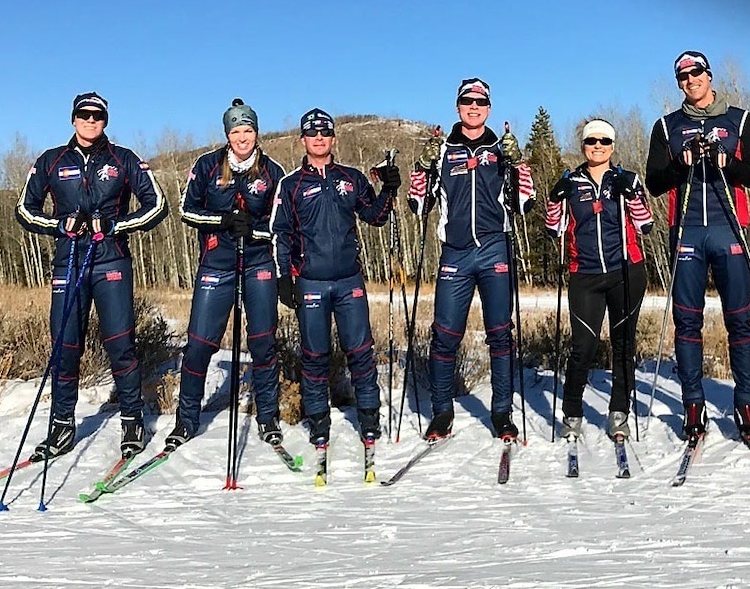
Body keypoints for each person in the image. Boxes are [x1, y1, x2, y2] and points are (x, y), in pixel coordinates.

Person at [15, 91, 168, 460]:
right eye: (84, 114)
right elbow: (24, 209)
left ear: (105, 121)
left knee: (120, 345)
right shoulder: (51, 161)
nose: (90, 120)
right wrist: (59, 225)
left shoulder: (123, 159)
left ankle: (132, 419)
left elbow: (157, 205)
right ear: (73, 119)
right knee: (65, 348)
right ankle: (62, 427)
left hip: (110, 262)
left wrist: (115, 225)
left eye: (97, 115)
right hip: (68, 262)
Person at [644, 51, 750, 443]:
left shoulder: (741, 120)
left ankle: (746, 403)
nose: (689, 80)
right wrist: (681, 166)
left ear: (709, 75)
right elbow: (654, 183)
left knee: (739, 319)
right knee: (687, 321)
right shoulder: (667, 126)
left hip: (729, 227)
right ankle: (693, 403)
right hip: (686, 231)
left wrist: (724, 162)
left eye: (695, 73)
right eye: (682, 76)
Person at [408, 77, 536, 441]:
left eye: (480, 102)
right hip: (456, 253)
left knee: (500, 335)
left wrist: (518, 161)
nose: (474, 107)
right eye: (467, 101)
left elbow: (526, 201)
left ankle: (501, 413)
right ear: (458, 106)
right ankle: (441, 412)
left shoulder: (500, 149)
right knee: (445, 337)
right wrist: (422, 165)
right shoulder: (444, 150)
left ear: (489, 108)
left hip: (495, 248)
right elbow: (418, 204)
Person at [270, 108, 399, 448]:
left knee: (360, 351)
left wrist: (388, 189)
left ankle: (369, 416)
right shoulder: (290, 185)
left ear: (332, 138)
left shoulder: (351, 178)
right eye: (313, 133)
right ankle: (318, 420)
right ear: (303, 140)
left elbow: (375, 216)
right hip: (310, 282)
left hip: (348, 281)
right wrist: (284, 279)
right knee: (315, 355)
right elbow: (279, 234)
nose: (319, 138)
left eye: (325, 132)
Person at [166, 99, 287, 450]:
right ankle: (186, 420)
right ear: (227, 134)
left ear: (256, 132)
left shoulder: (271, 171)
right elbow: (187, 210)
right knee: (199, 345)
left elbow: (282, 224)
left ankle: (268, 417)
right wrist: (222, 221)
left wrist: (255, 229)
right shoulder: (207, 165)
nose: (242, 138)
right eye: (236, 131)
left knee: (263, 343)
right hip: (217, 263)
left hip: (258, 264)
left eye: (248, 130)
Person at [544, 118, 653, 442]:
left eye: (604, 141)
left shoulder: (627, 179)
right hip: (585, 275)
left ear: (613, 146)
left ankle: (619, 412)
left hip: (626, 272)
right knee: (583, 347)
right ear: (583, 146)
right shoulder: (571, 182)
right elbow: (554, 230)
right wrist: (554, 198)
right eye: (592, 141)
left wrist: (631, 194)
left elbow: (645, 225)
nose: (598, 146)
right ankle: (572, 413)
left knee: (623, 346)